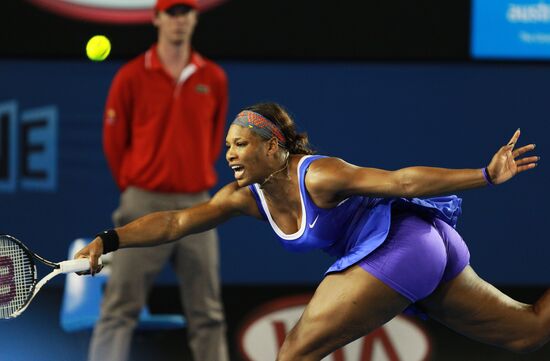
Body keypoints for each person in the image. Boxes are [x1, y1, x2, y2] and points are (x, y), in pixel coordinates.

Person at [79, 102, 549, 361]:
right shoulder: (243, 197)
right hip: (425, 247)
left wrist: (484, 175)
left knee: (294, 355)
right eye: (227, 146)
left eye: (241, 144)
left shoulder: (318, 175)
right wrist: (110, 239)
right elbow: (176, 221)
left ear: (274, 147)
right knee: (528, 332)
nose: (230, 154)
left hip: (401, 244)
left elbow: (401, 181)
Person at [87, 0, 229, 360]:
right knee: (120, 308)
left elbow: (215, 140)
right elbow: (113, 142)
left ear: (195, 18)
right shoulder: (132, 75)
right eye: (172, 13)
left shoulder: (213, 77)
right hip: (143, 202)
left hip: (199, 204)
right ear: (157, 19)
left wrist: (191, 174)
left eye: (186, 12)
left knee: (208, 313)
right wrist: (136, 185)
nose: (179, 20)